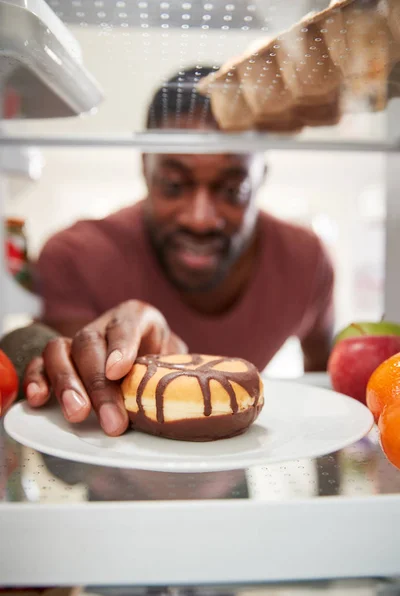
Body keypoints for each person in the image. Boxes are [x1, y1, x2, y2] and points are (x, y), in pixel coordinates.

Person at [0, 66, 334, 437]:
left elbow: (325, 386)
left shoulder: (306, 261)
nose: (200, 219)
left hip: (239, 468)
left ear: (261, 177)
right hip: (113, 477)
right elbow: (78, 407)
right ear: (145, 167)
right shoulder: (76, 256)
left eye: (232, 191)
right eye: (174, 185)